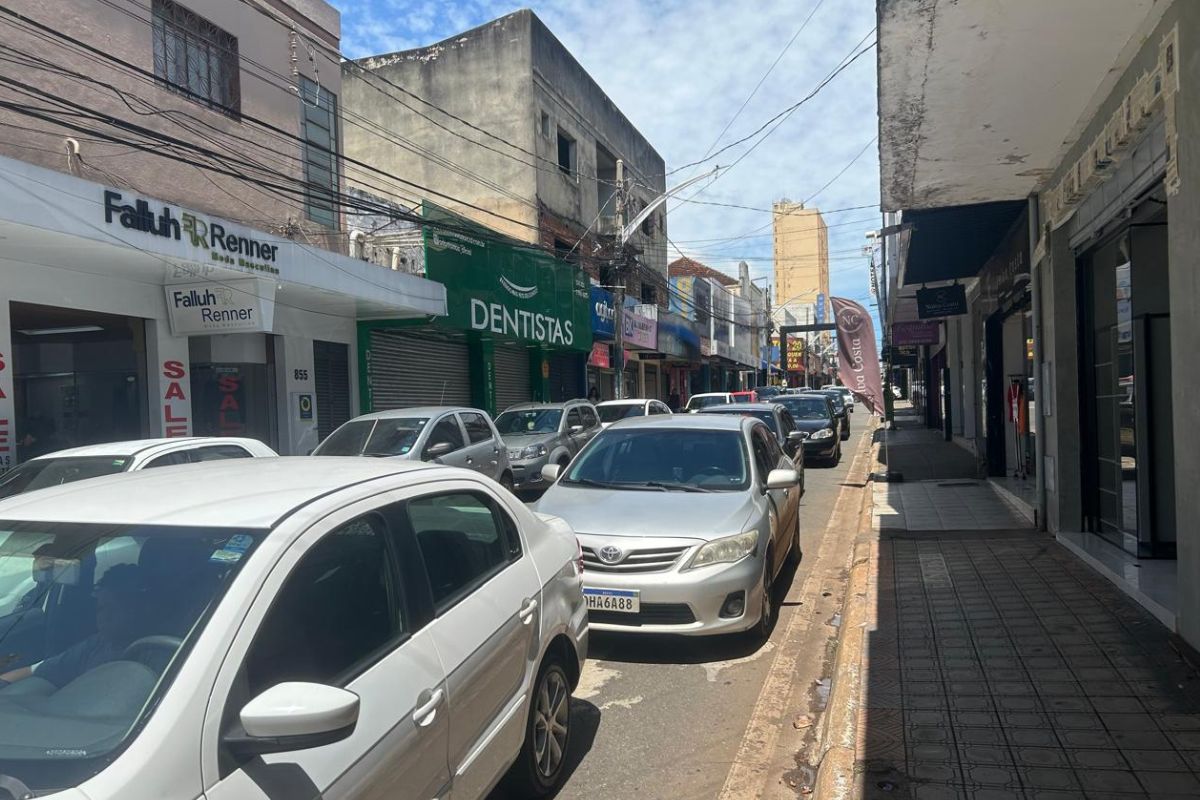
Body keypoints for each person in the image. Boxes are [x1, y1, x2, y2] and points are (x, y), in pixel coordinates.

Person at [0, 563, 144, 689]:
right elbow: (35, 670)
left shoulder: (155, 652)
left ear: (138, 610)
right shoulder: (96, 644)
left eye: (115, 609)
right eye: (101, 609)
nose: (104, 617)